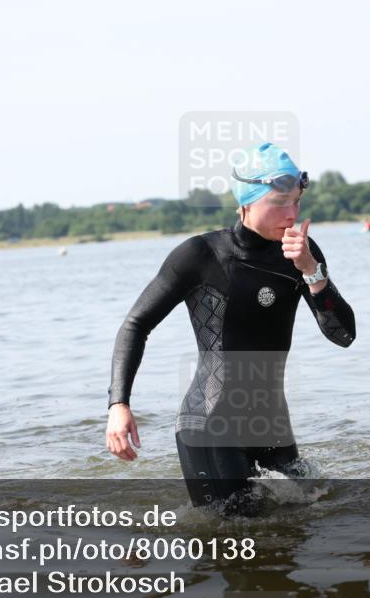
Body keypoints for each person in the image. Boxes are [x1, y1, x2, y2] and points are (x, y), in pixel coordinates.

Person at [105, 142, 356, 512]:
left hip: (272, 425)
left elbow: (344, 336)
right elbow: (135, 324)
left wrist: (311, 272)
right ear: (246, 202)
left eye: (297, 202)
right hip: (209, 425)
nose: (291, 214)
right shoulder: (201, 256)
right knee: (237, 542)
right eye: (279, 203)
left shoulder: (301, 253)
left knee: (305, 525)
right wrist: (118, 404)